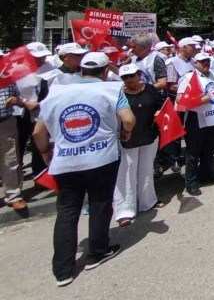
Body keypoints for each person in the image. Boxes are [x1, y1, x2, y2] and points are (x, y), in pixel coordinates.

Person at [33, 52, 136, 287]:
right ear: (106, 70)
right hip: (102, 158)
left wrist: (45, 152)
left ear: (82, 70)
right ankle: (97, 251)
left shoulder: (56, 92)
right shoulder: (112, 89)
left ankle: (63, 270)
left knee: (67, 212)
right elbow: (129, 119)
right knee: (100, 204)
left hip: (65, 161)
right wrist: (125, 133)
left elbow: (38, 131)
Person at [113, 64, 166, 227]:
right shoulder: (119, 93)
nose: (128, 79)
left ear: (139, 75)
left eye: (131, 75)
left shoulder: (150, 89)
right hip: (128, 138)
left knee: (146, 169)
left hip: (149, 135)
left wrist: (160, 111)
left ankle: (148, 201)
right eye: (125, 77)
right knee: (126, 173)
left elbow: (162, 105)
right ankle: (124, 210)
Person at [176, 53, 214, 196]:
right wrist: (199, 100)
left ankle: (206, 175)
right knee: (193, 153)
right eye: (202, 61)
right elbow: (179, 99)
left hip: (213, 119)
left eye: (207, 61)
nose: (206, 63)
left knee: (208, 150)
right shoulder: (189, 77)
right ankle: (191, 182)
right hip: (196, 119)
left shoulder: (212, 74)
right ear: (195, 63)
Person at [14, 42, 56, 178]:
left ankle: (40, 177)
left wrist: (42, 103)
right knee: (17, 145)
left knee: (39, 144)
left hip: (41, 110)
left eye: (43, 56)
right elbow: (9, 90)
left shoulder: (50, 67)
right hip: (19, 112)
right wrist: (24, 102)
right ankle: (16, 175)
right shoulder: (15, 68)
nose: (41, 59)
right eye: (37, 57)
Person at [160, 37, 197, 176]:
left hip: (191, 101)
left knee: (190, 128)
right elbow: (171, 85)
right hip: (177, 100)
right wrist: (187, 89)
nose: (195, 48)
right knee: (176, 130)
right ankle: (174, 159)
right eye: (192, 46)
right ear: (183, 48)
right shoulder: (172, 63)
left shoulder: (193, 62)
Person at [1, 81, 28, 210]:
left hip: (5, 122)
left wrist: (16, 100)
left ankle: (14, 196)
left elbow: (19, 97)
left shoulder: (7, 78)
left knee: (10, 160)